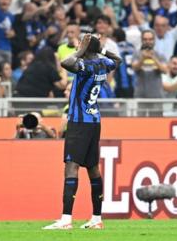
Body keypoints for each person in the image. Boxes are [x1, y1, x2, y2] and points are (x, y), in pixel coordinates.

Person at [44, 33, 120, 230]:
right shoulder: (103, 63)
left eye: (80, 43)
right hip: (94, 120)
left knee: (71, 166)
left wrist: (82, 50)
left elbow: (66, 62)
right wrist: (98, 49)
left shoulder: (86, 66)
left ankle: (66, 219)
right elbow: (117, 59)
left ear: (85, 47)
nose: (77, 45)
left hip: (79, 121)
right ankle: (96, 218)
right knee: (93, 168)